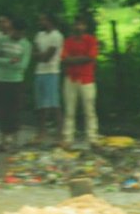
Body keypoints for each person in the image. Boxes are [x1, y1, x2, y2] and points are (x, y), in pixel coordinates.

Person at [0, 15, 31, 152]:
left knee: (15, 111)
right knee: (2, 111)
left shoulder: (26, 45)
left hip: (16, 81)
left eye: (21, 32)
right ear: (11, 29)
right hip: (1, 80)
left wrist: (13, 63)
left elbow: (23, 65)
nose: (18, 34)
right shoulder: (2, 40)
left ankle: (14, 141)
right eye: (16, 31)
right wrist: (9, 62)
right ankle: (2, 141)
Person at [61, 14, 100, 149]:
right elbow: (64, 59)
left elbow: (91, 57)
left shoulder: (91, 40)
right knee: (69, 110)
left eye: (81, 24)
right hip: (71, 78)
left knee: (89, 109)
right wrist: (81, 59)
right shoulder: (68, 41)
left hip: (86, 78)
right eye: (77, 24)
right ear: (74, 26)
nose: (78, 27)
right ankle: (67, 138)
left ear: (85, 27)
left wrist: (73, 60)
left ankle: (93, 138)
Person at [33, 12, 64, 144]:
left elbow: (47, 57)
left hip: (52, 72)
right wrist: (40, 55)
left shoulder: (57, 36)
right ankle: (41, 133)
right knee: (41, 105)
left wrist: (40, 55)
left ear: (50, 21)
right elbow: (34, 53)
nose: (40, 22)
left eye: (43, 20)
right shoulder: (39, 35)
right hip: (39, 72)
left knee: (53, 104)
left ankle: (60, 134)